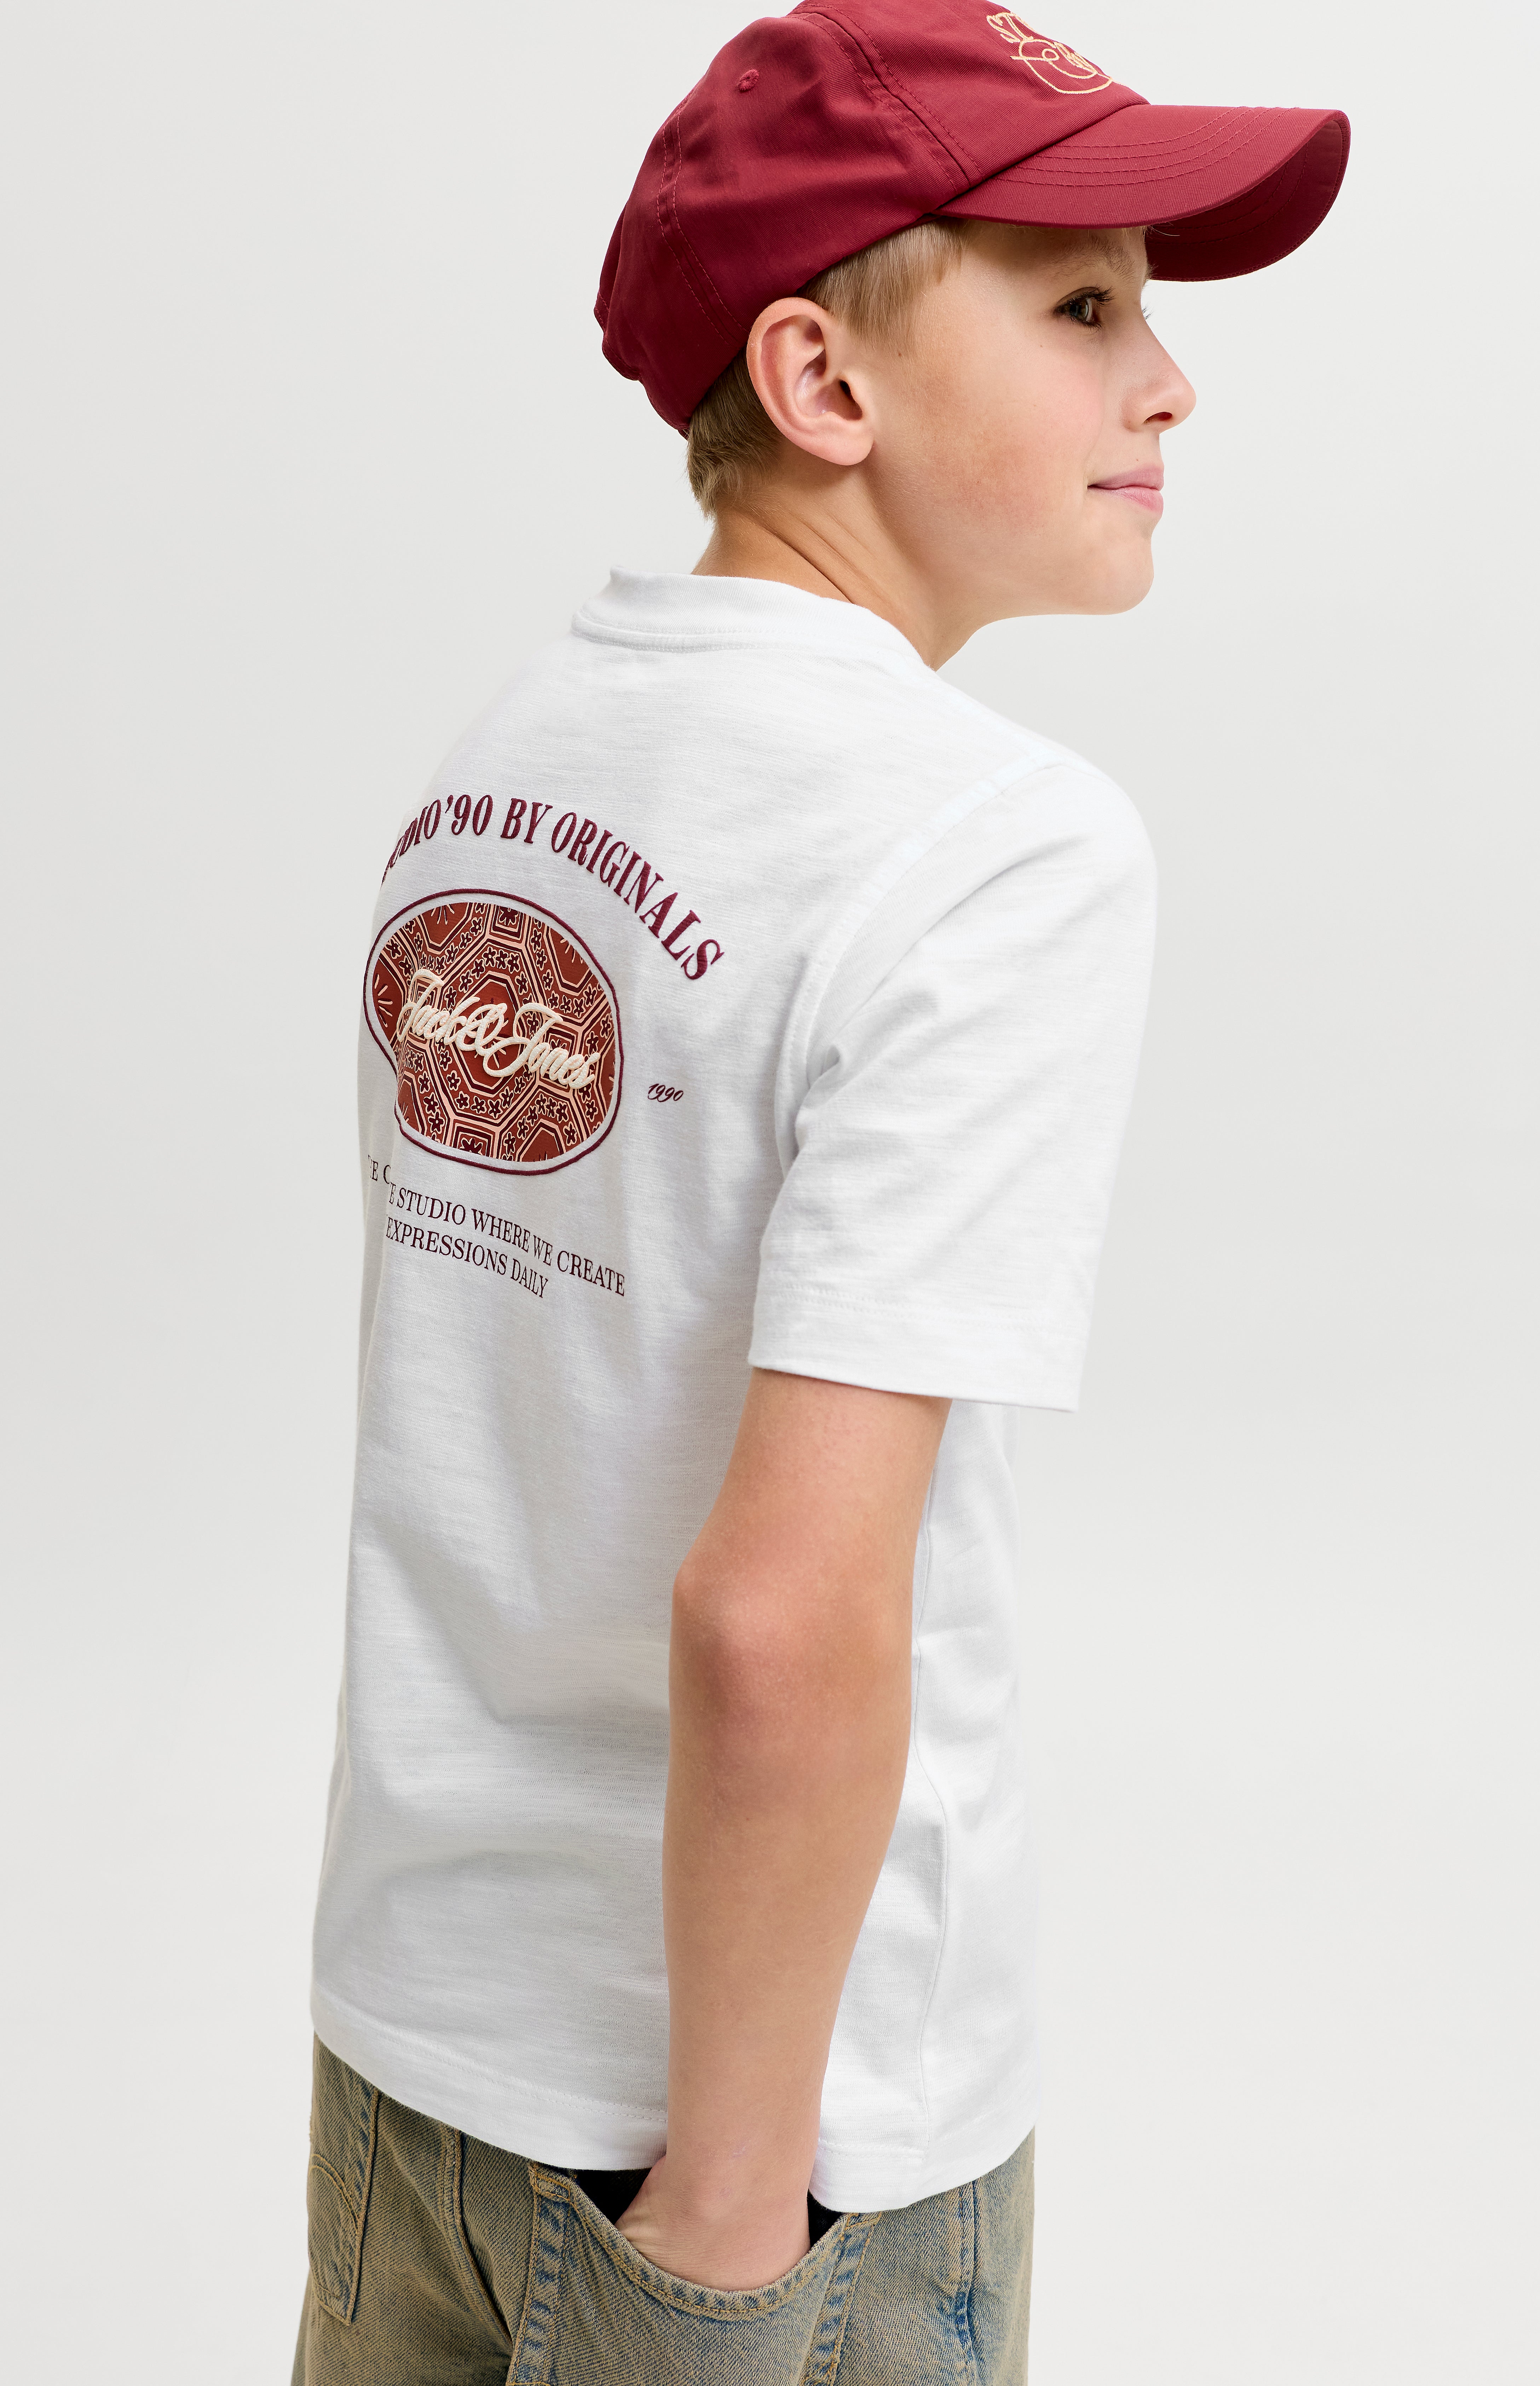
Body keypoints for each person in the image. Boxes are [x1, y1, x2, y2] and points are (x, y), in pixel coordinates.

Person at [293, 5, 1348, 2378]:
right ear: (820, 377)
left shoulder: (505, 771)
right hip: (779, 2141)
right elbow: (778, 1610)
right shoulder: (990, 848)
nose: (1168, 382)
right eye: (1081, 305)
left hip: (413, 2056)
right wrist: (726, 2223)